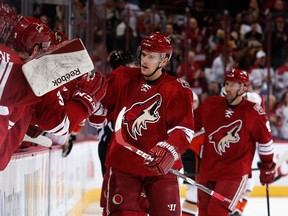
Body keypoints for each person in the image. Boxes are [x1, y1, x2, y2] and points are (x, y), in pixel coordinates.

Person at [0, 6, 107, 170]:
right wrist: (84, 100)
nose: (47, 53)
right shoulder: (30, 77)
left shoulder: (13, 64)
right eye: (46, 47)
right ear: (35, 49)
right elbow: (60, 125)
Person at [100, 32, 195, 216]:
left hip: (160, 169)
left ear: (164, 60)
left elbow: (184, 129)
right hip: (125, 167)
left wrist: (169, 148)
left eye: (151, 56)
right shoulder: (123, 78)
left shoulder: (177, 89)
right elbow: (100, 113)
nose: (145, 60)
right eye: (143, 54)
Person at [193, 68, 275, 216]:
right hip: (207, 170)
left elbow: (265, 142)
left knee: (217, 211)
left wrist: (267, 166)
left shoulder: (253, 112)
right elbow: (189, 126)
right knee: (204, 212)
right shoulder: (210, 104)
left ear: (243, 87)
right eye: (227, 83)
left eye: (233, 85)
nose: (228, 88)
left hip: (234, 174)